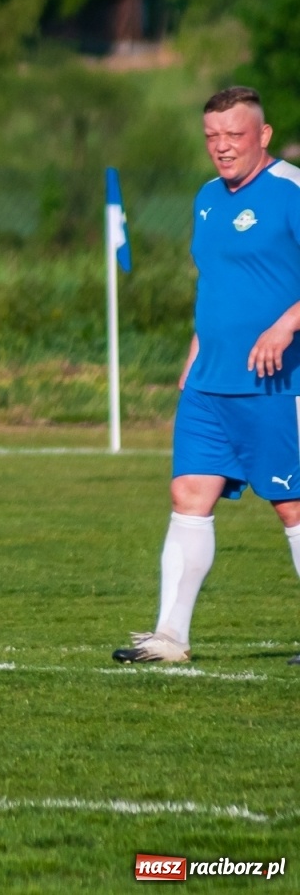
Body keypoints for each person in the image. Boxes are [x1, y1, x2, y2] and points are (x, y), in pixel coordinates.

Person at [114, 86, 300, 664]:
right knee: (189, 493)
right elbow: (217, 282)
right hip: (210, 381)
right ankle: (170, 637)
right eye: (212, 138)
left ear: (262, 136)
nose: (221, 148)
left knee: (293, 504)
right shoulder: (206, 198)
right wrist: (198, 345)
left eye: (233, 137)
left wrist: (287, 325)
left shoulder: (292, 191)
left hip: (277, 382)